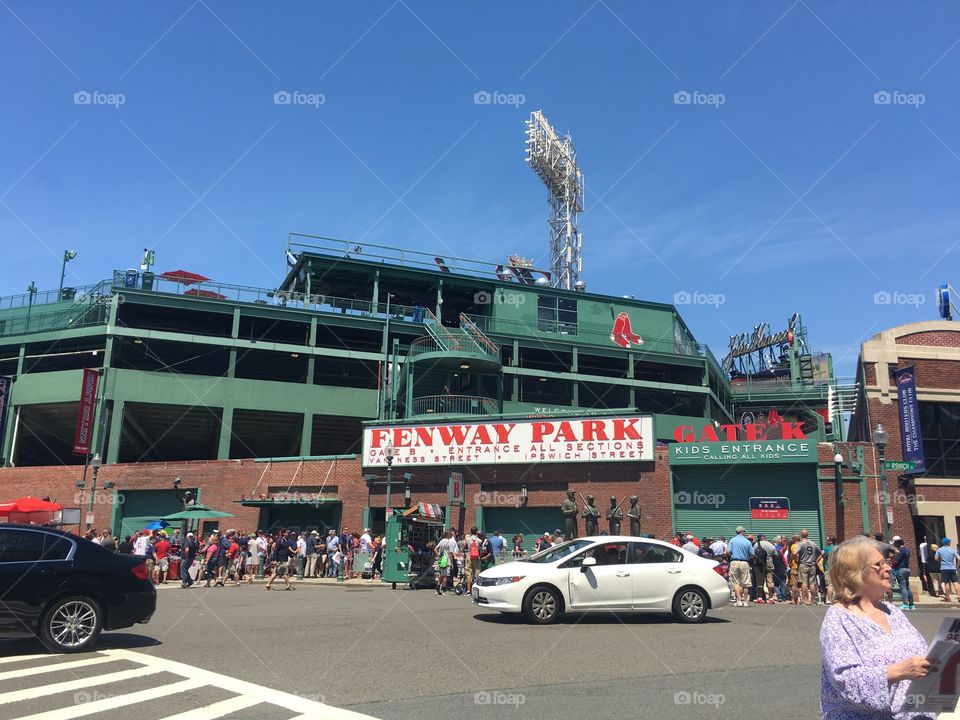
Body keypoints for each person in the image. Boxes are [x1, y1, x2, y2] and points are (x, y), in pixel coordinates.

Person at [820, 536, 936, 720]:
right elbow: (844, 679)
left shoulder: (892, 611)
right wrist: (899, 671)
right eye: (879, 564)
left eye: (887, 562)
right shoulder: (839, 617)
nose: (889, 567)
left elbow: (923, 657)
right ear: (855, 573)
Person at [728, 526, 754, 607]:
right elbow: (752, 554)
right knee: (745, 583)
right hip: (744, 562)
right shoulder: (747, 542)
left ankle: (738, 600)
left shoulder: (732, 540)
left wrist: (731, 555)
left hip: (734, 561)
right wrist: (747, 558)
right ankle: (745, 601)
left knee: (736, 582)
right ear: (742, 532)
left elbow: (727, 551)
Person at [795, 529, 820, 605]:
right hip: (812, 565)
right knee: (812, 583)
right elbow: (820, 553)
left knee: (804, 582)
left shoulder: (800, 543)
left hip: (803, 564)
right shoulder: (813, 543)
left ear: (801, 535)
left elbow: (795, 552)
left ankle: (804, 598)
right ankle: (813, 599)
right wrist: (816, 560)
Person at [890, 537, 915, 611]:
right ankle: (911, 604)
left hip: (900, 569)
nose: (894, 545)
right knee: (907, 587)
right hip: (907, 569)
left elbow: (896, 560)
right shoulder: (907, 550)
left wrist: (891, 558)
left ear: (898, 543)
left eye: (895, 543)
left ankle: (905, 604)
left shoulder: (900, 550)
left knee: (903, 587)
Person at [935, 537, 957, 603]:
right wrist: (957, 566)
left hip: (944, 568)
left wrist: (940, 560)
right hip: (952, 568)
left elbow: (936, 558)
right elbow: (959, 558)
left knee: (946, 583)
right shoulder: (953, 550)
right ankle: (959, 596)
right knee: (955, 583)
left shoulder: (939, 550)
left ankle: (948, 598)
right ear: (948, 543)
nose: (950, 543)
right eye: (949, 542)